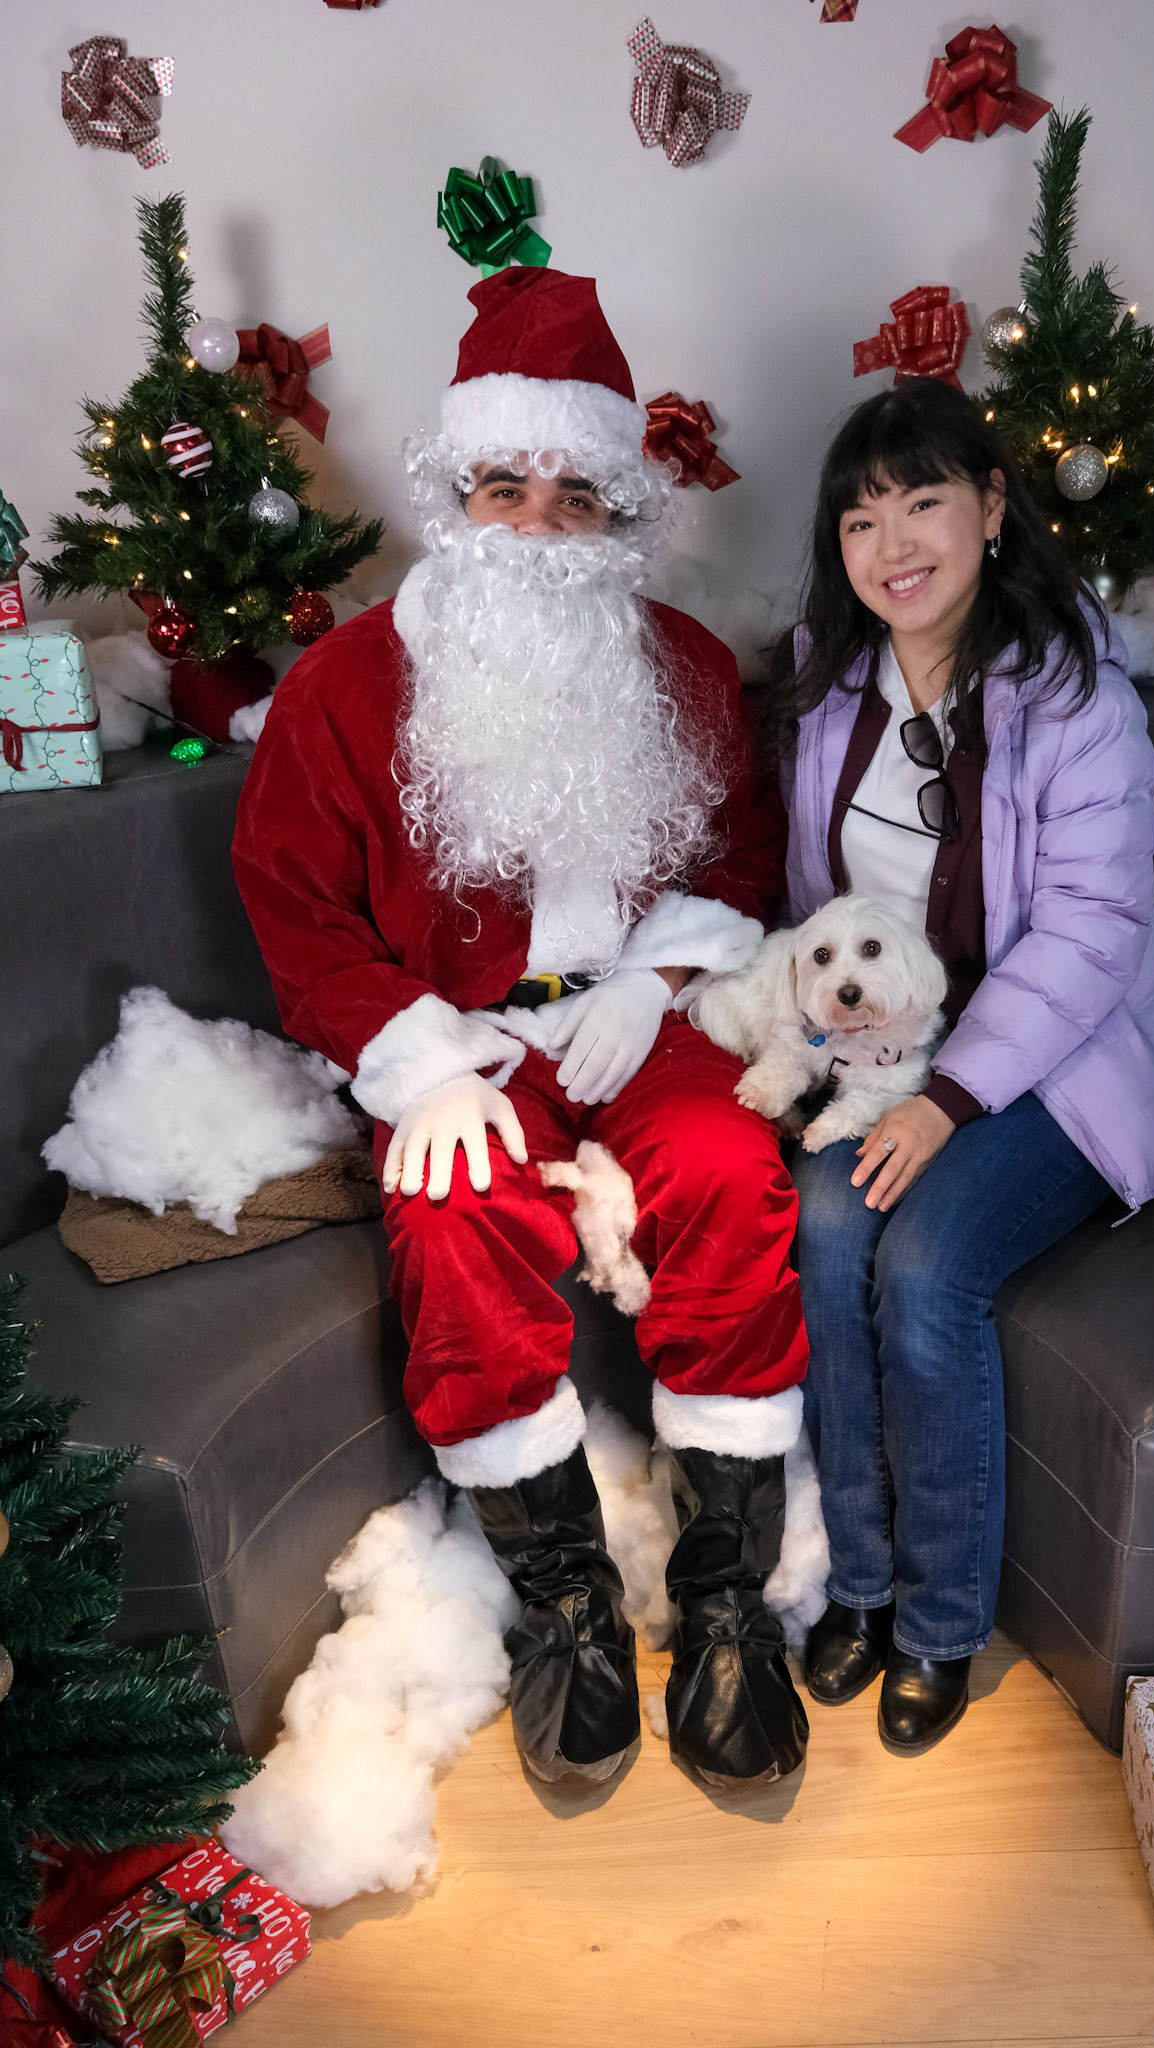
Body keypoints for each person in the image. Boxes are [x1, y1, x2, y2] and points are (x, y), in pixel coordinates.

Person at [233, 267, 809, 1793]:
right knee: (452, 1206)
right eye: (506, 488)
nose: (540, 524)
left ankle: (726, 1594)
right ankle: (565, 1600)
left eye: (576, 493)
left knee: (726, 1168)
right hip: (460, 1038)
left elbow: (740, 863)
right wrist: (416, 1062)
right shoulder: (347, 687)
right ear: (459, 496)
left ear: (622, 510)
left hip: (639, 1018)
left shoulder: (686, 666)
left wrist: (655, 982)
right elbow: (296, 905)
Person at [767, 378, 1154, 1756]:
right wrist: (831, 1054)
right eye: (860, 518)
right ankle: (861, 1582)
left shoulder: (1077, 696)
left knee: (927, 1267)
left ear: (993, 508)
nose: (892, 543)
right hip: (894, 1057)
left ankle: (941, 1622)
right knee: (828, 1228)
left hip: (1059, 1064)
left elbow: (1092, 928)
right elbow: (817, 907)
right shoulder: (831, 687)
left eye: (923, 502)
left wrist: (948, 1101)